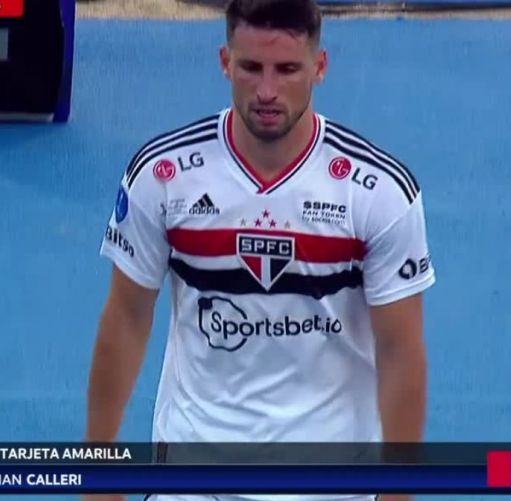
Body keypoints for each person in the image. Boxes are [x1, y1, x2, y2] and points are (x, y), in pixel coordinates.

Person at [87, 1, 435, 501]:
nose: (267, 91)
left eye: (287, 69)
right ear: (225, 62)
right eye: (251, 68)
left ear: (319, 67)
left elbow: (402, 350)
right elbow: (126, 317)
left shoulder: (377, 192)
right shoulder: (163, 176)